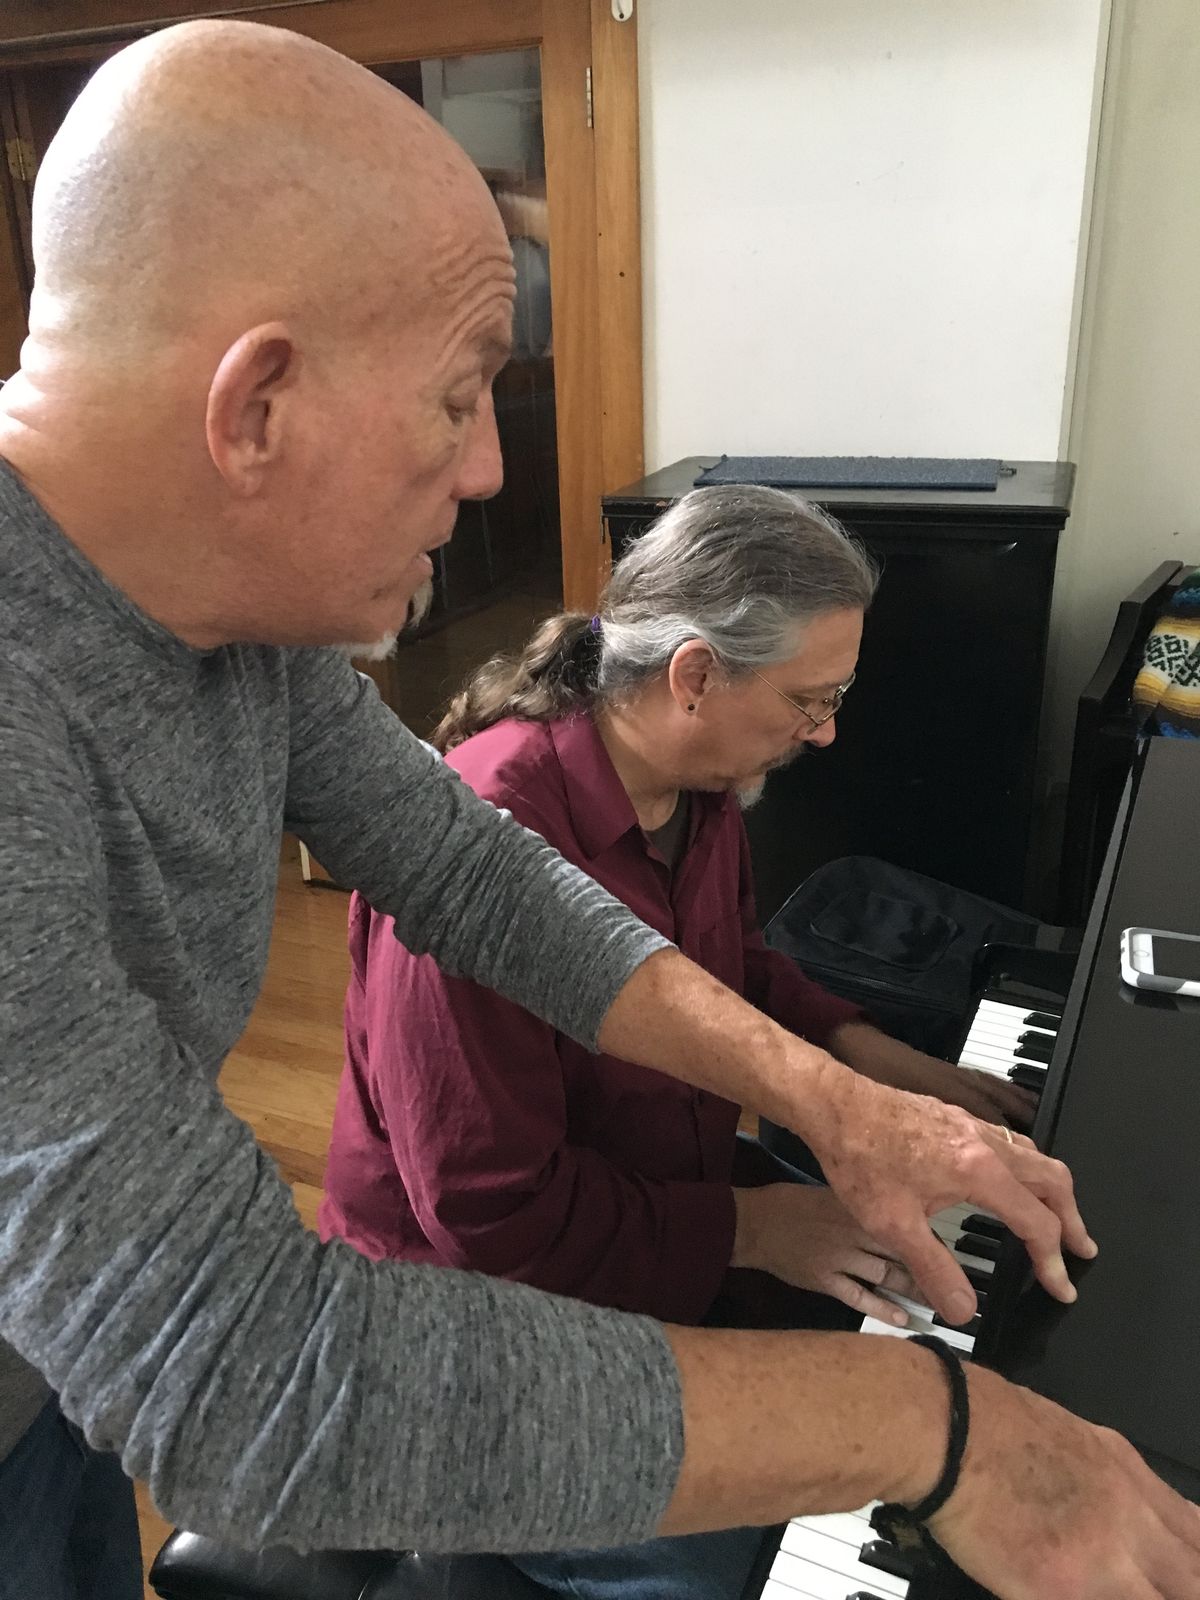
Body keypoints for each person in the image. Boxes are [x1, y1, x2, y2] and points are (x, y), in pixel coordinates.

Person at [0, 18, 1190, 1600]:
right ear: (258, 405)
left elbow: (479, 880)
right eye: (457, 401)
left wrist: (843, 1102)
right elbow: (245, 1383)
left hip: (48, 1350)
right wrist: (935, 1429)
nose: (491, 470)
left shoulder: (236, 623)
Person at [319, 483, 1037, 1597]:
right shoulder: (484, 845)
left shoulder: (696, 784)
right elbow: (490, 1217)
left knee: (949, 1324)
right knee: (760, 1564)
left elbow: (732, 966)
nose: (827, 731)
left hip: (654, 1214)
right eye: (809, 698)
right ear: (694, 676)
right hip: (477, 1339)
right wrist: (759, 1229)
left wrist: (890, 1066)